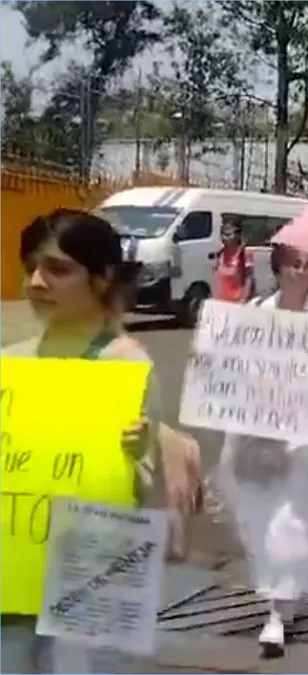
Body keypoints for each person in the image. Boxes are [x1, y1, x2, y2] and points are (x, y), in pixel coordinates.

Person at [1, 208, 162, 674]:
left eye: (58, 269)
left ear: (101, 277)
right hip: (13, 573)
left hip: (92, 575)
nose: (36, 282)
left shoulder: (126, 366)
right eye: (31, 266)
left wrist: (141, 455)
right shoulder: (12, 364)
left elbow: (149, 498)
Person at [214, 243, 308, 659]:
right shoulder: (258, 310)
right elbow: (230, 360)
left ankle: (277, 614)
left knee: (293, 524)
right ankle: (287, 593)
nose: (306, 270)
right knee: (260, 522)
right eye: (297, 263)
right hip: (259, 436)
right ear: (278, 270)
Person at [214, 220, 252, 303]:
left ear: (238, 235)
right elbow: (217, 278)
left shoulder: (244, 253)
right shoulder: (221, 253)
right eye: (223, 234)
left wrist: (243, 299)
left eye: (228, 234)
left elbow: (249, 278)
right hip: (221, 301)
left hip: (237, 301)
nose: (225, 237)